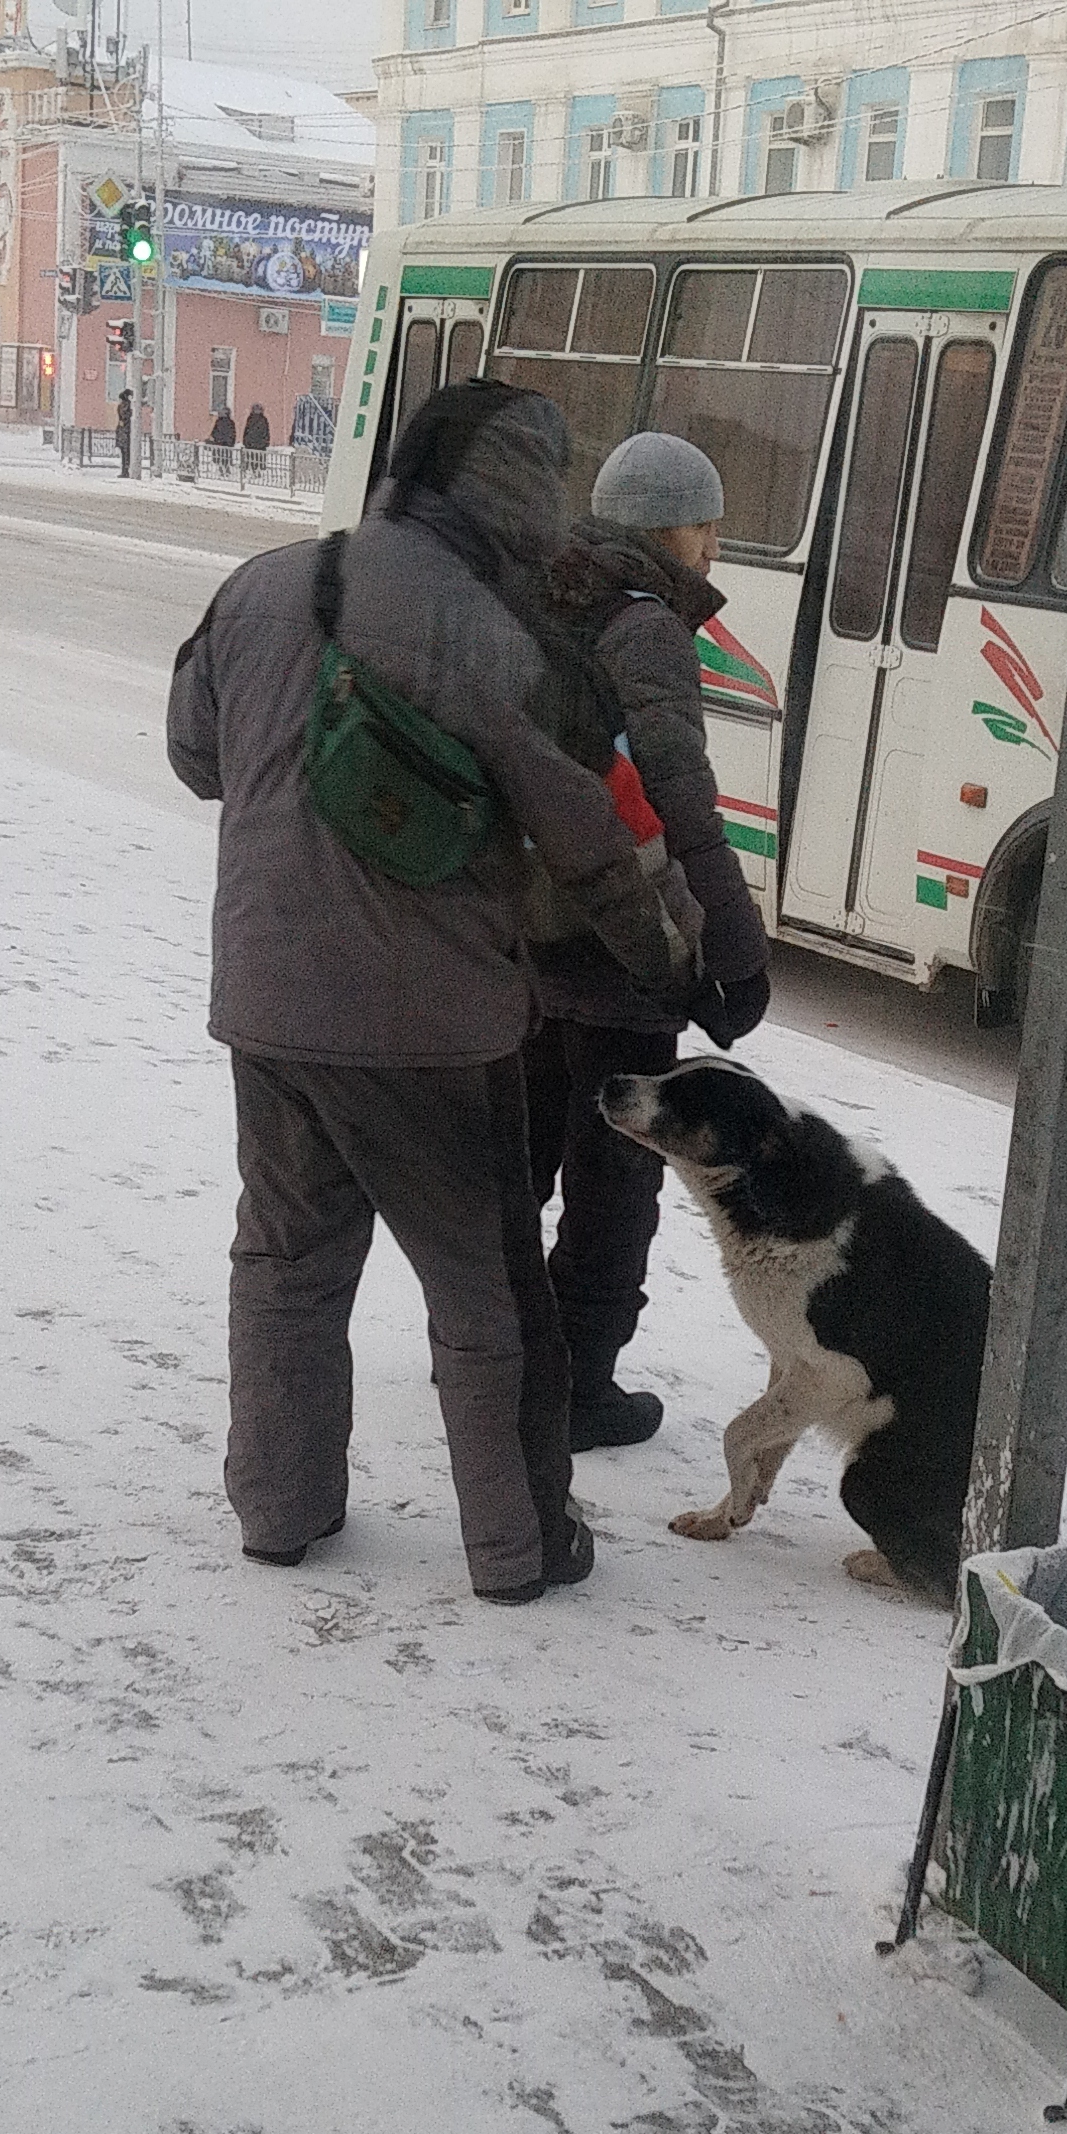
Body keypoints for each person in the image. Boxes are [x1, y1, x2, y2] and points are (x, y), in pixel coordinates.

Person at [166, 383, 695, 1605]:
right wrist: (672, 955)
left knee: (287, 1260)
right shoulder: (494, 635)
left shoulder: (261, 584)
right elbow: (582, 827)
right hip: (429, 1034)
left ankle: (282, 1510)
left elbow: (195, 754)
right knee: (488, 1290)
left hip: (267, 1002)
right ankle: (518, 1547)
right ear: (510, 498)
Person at [523, 431, 771, 1451]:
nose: (715, 545)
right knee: (617, 1173)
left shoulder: (545, 600)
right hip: (625, 941)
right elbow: (680, 802)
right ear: (670, 528)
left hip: (530, 932)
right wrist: (734, 947)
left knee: (524, 1155)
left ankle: (499, 1350)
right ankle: (578, 1384)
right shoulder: (648, 629)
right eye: (708, 524)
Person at [241, 401, 270, 475]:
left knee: (251, 459)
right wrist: (265, 442)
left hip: (251, 444)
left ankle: (253, 472)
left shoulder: (250, 419)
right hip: (260, 445)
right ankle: (257, 472)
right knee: (258, 460)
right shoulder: (263, 419)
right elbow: (266, 432)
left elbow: (247, 431)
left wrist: (246, 441)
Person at [116, 385, 133, 478]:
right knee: (126, 453)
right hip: (126, 432)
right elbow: (124, 418)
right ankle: (125, 471)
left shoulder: (124, 406)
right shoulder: (127, 406)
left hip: (124, 432)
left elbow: (122, 419)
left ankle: (125, 471)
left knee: (125, 453)